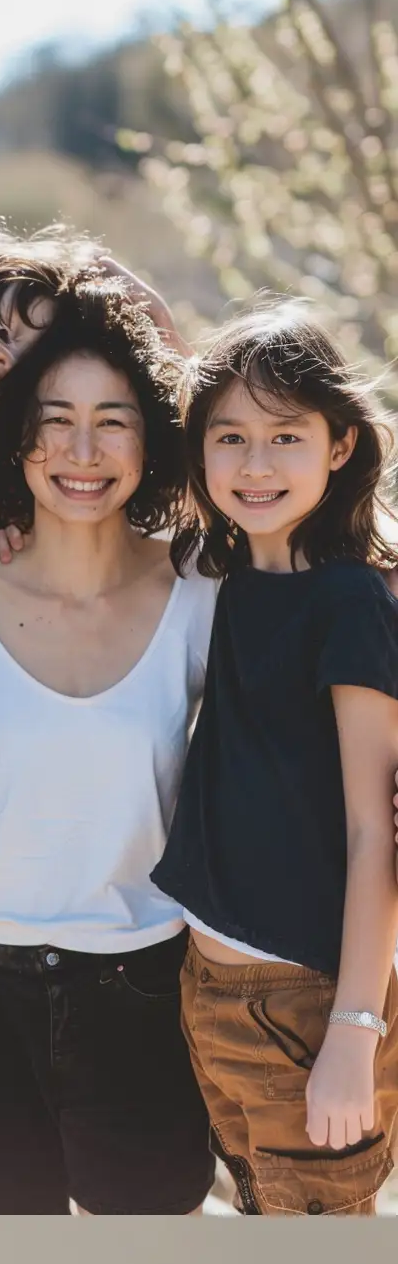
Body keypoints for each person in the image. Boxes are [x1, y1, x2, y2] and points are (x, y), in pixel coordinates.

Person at [0, 280, 217, 1213]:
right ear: (18, 436)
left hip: (145, 983)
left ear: (152, 435)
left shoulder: (202, 591)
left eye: (113, 421)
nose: (83, 452)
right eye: (56, 420)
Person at [154, 308, 398, 1214]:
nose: (255, 464)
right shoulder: (219, 578)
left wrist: (354, 1030)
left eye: (286, 436)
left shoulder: (347, 601)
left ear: (339, 447)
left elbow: (377, 832)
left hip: (306, 1001)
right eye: (231, 437)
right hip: (209, 988)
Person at [0, 231, 180, 537]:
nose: (6, 360)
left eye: (28, 361)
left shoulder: (26, 459)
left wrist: (164, 327)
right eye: (2, 332)